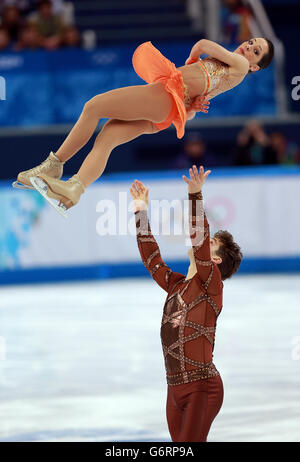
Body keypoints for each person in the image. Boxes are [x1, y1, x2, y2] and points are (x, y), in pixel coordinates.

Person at [13, 37, 274, 216]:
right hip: (164, 112)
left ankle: (55, 164)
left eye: (256, 50)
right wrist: (192, 105)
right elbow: (189, 114)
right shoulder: (227, 72)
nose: (248, 47)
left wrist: (192, 60)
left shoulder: (238, 65)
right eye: (251, 41)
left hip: (164, 98)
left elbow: (203, 43)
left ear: (254, 66)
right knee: (107, 138)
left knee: (93, 107)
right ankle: (75, 189)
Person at [130, 165, 243, 442]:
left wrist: (195, 195)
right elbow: (151, 258)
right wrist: (140, 212)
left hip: (202, 388)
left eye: (212, 244)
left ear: (215, 261)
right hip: (174, 390)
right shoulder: (176, 284)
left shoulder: (211, 285)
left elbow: (200, 240)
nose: (204, 245)